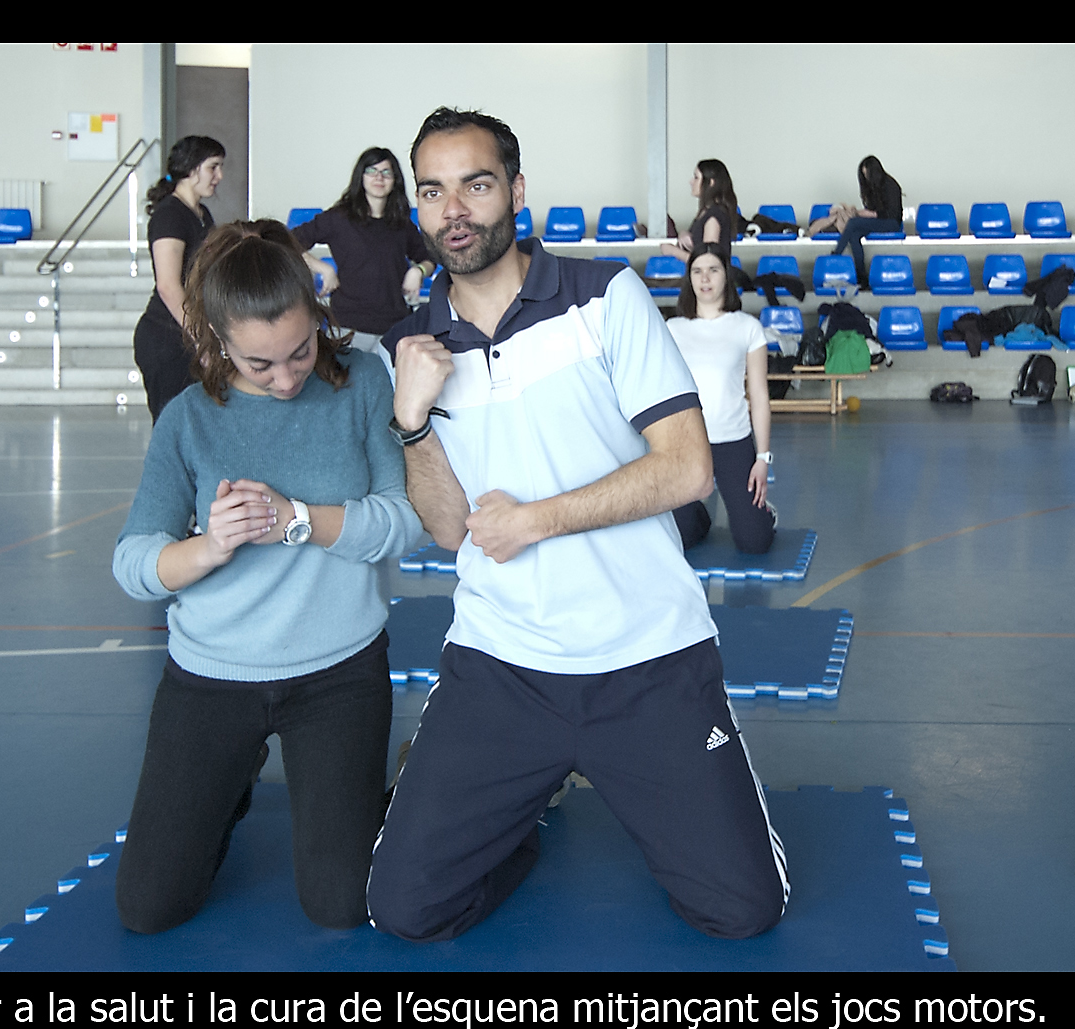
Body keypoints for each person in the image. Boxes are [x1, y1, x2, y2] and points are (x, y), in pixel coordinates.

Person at [370, 108, 789, 943]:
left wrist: (537, 520)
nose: (455, 210)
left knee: (743, 911)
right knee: (404, 910)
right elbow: (450, 530)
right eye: (434, 192)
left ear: (517, 191)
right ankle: (521, 814)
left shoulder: (603, 295)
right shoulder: (410, 347)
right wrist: (412, 424)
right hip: (501, 665)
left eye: (476, 185)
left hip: (647, 656)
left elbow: (687, 469)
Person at [112, 220, 424, 933]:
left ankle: (414, 783)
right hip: (210, 676)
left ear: (317, 317)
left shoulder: (363, 382)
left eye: (301, 351)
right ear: (219, 343)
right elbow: (133, 562)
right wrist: (209, 547)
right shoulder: (188, 419)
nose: (286, 378)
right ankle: (230, 781)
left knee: (341, 906)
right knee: (149, 908)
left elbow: (406, 522)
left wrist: (298, 519)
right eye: (260, 364)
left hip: (339, 674)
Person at [668, 244, 779, 554]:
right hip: (687, 443)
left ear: (725, 277)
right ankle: (698, 514)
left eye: (713, 270)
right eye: (697, 271)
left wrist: (763, 458)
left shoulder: (747, 327)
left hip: (733, 441)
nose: (705, 278)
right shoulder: (672, 329)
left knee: (754, 542)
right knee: (680, 537)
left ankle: (763, 515)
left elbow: (759, 395)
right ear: (689, 278)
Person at [292, 148, 437, 374]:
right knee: (348, 389)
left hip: (394, 329)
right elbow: (288, 241)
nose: (379, 177)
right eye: (372, 171)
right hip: (349, 328)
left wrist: (418, 271)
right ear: (361, 176)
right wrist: (323, 268)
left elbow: (429, 258)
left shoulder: (400, 222)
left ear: (395, 180)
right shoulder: (339, 218)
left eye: (386, 172)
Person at [135, 135, 225, 419]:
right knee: (173, 426)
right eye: (213, 167)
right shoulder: (169, 215)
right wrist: (201, 339)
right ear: (192, 168)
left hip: (189, 334)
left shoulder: (201, 213)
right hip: (168, 337)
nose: (219, 176)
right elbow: (168, 285)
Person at [811, 155, 903, 289]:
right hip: (879, 221)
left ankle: (837, 253)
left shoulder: (891, 185)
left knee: (854, 223)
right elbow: (872, 210)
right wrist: (861, 212)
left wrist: (871, 214)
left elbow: (893, 214)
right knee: (854, 235)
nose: (866, 178)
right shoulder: (873, 187)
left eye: (867, 174)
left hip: (891, 223)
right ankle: (862, 277)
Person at [662, 158, 744, 269]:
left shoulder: (714, 216)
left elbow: (708, 260)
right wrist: (684, 234)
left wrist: (674, 252)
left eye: (696, 178)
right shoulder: (706, 212)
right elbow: (700, 248)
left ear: (711, 183)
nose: (691, 182)